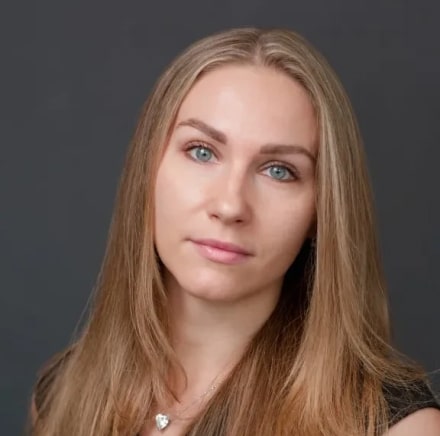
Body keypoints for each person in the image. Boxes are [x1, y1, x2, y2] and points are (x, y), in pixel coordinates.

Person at [29, 27, 440, 436]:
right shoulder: (64, 392)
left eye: (279, 171)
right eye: (202, 152)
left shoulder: (400, 428)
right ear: (147, 170)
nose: (230, 206)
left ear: (321, 211)